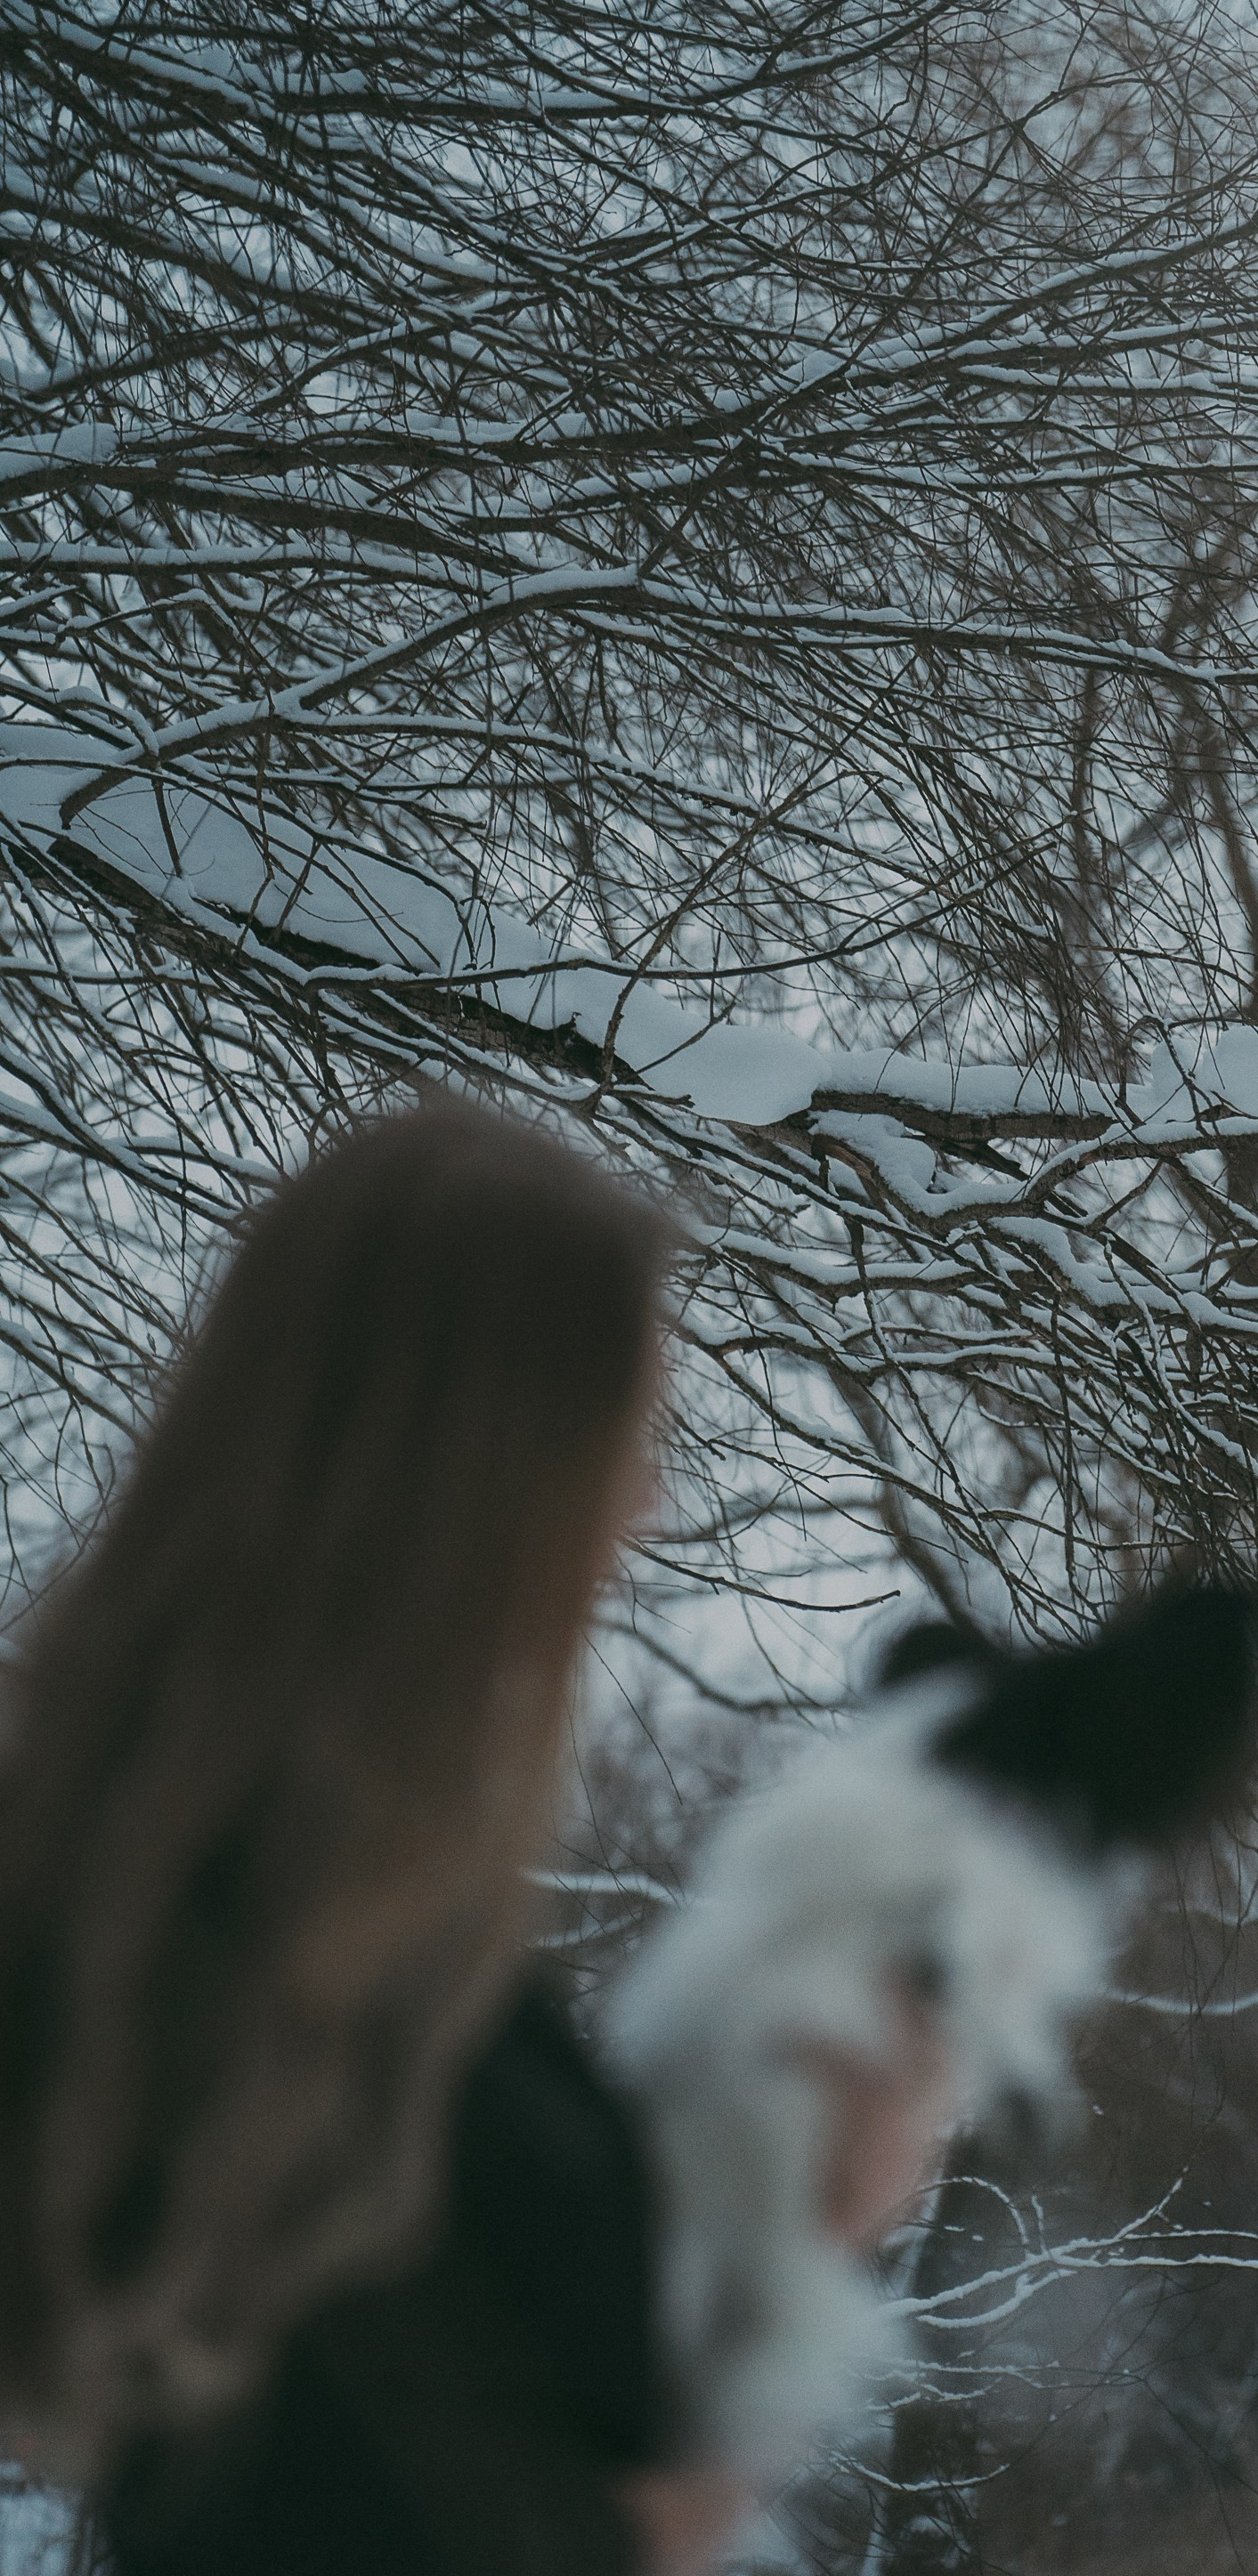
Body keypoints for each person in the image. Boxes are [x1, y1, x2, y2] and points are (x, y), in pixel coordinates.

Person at [0, 1100, 948, 2576]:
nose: (652, 1504)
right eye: (623, 1444)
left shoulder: (193, 1907)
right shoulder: (299, 1988)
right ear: (481, 1483)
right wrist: (823, 2224)